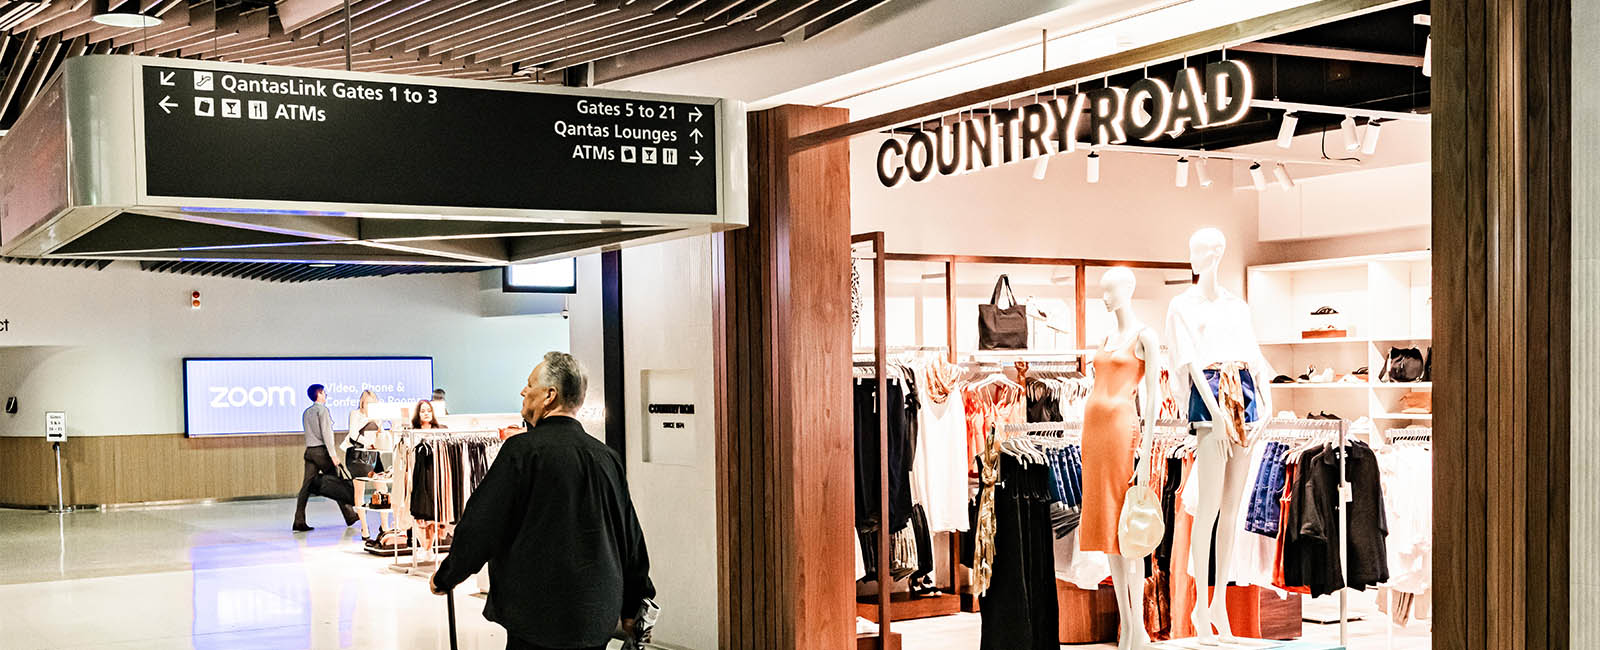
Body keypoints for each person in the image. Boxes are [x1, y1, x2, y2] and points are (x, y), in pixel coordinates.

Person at [430, 352, 654, 650]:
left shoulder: (522, 452)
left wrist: (447, 576)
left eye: (529, 384)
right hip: (595, 611)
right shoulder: (606, 458)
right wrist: (633, 604)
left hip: (537, 614)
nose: (523, 391)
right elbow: (630, 538)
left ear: (550, 395)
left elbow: (482, 525)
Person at [293, 383, 359, 532]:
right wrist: (333, 455)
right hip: (322, 453)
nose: (326, 395)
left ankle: (299, 520)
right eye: (324, 393)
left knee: (306, 487)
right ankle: (350, 515)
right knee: (338, 484)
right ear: (320, 394)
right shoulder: (322, 411)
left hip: (310, 451)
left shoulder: (307, 412)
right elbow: (327, 435)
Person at [343, 390, 386, 476]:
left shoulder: (377, 416)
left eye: (373, 403)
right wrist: (368, 443)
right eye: (367, 403)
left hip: (373, 454)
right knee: (359, 486)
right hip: (357, 454)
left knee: (381, 483)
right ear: (362, 403)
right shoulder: (355, 414)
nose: (370, 406)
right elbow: (353, 434)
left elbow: (381, 435)